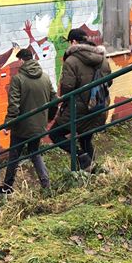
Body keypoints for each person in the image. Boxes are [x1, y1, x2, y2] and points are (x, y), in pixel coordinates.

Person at [50, 28, 111, 171]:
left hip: (78, 109)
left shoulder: (71, 60)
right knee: (85, 139)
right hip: (98, 106)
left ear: (73, 42)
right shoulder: (102, 58)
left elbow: (67, 88)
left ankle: (81, 156)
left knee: (55, 134)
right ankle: (92, 171)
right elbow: (109, 81)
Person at [0, 48, 57, 194]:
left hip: (21, 127)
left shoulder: (18, 79)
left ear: (21, 60)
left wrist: (8, 124)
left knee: (14, 156)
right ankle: (46, 184)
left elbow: (14, 105)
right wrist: (48, 118)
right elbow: (54, 100)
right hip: (39, 125)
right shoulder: (45, 77)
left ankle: (7, 187)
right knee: (35, 152)